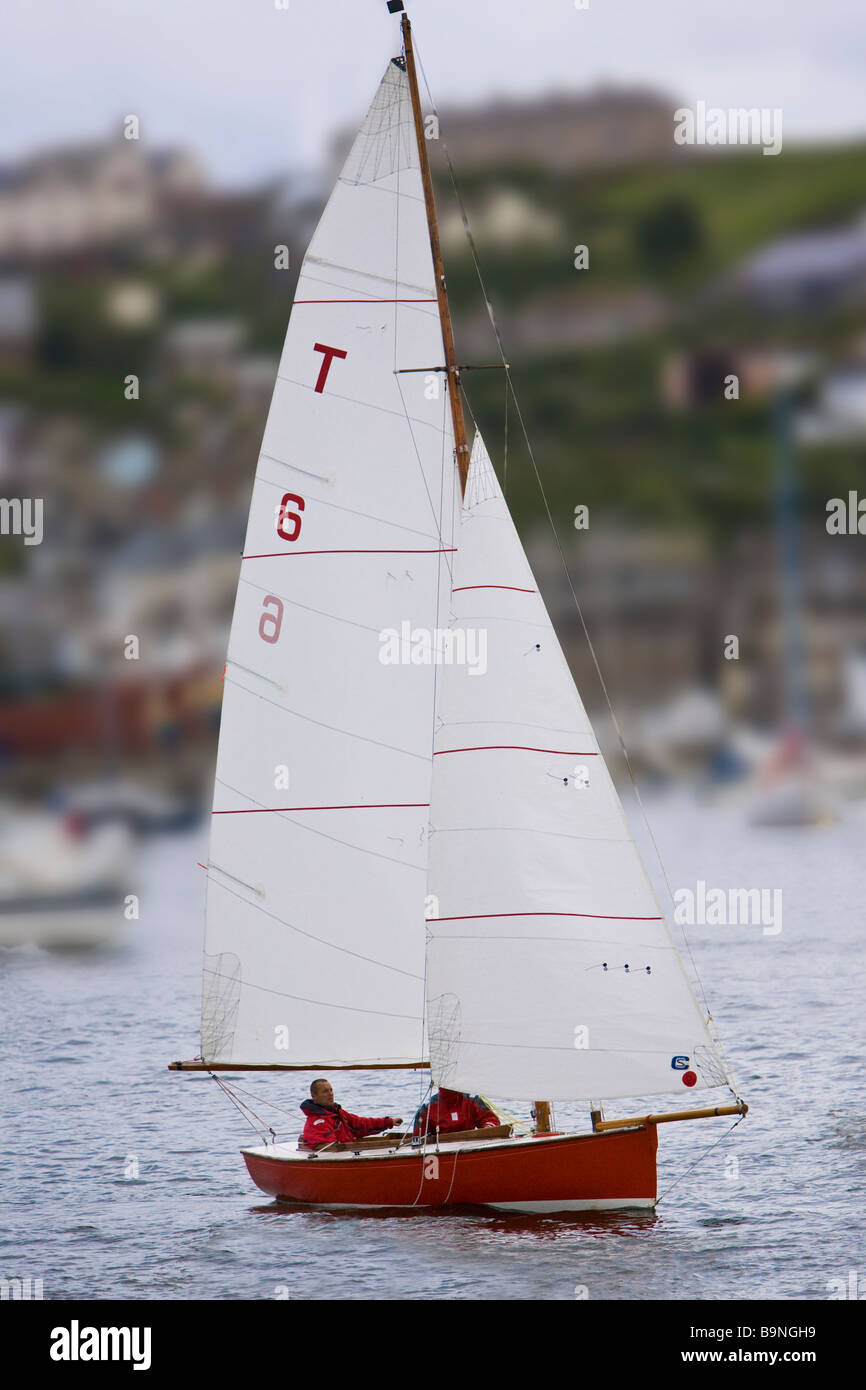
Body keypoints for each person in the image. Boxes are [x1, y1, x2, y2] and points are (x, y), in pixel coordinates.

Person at [299, 1078, 403, 1149]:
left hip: (349, 1154)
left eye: (331, 1090)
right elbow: (331, 1149)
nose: (330, 1094)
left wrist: (389, 1122)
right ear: (314, 1096)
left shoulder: (338, 1113)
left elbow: (361, 1124)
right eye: (325, 1091)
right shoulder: (317, 1123)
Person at [413, 1088, 499, 1137]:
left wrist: (488, 1127)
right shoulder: (428, 1107)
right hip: (441, 1149)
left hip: (469, 1144)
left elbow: (490, 1119)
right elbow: (418, 1136)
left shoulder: (472, 1100)